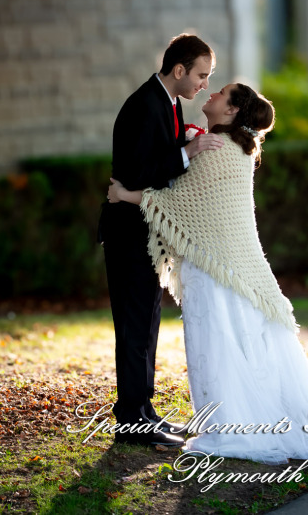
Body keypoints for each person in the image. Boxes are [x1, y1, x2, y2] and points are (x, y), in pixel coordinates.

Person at [107, 83, 308, 464]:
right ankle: (242, 420)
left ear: (232, 111)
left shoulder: (217, 151)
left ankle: (233, 426)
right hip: (226, 267)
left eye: (221, 92)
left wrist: (126, 196)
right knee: (236, 345)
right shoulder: (230, 148)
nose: (212, 93)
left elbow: (177, 203)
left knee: (217, 346)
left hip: (215, 270)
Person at [98, 34, 224, 449]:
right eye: (202, 75)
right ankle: (131, 420)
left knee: (147, 323)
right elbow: (135, 174)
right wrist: (187, 151)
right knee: (134, 327)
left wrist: (186, 150)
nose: (204, 84)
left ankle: (143, 411)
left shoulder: (170, 102)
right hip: (128, 232)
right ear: (179, 70)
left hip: (147, 234)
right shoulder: (143, 104)